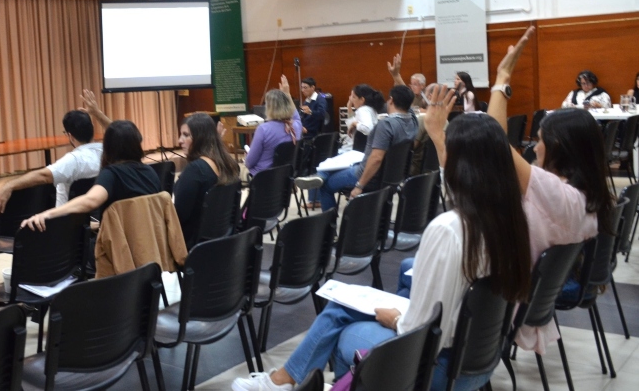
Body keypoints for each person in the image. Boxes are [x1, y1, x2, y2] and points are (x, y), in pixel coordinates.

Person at [232, 92, 533, 391]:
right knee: (346, 307)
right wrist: (437, 133)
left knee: (343, 327)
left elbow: (425, 330)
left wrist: (396, 320)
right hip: (479, 361)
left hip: (437, 366)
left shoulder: (449, 230)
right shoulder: (510, 218)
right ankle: (289, 381)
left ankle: (290, 381)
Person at [484, 27, 610, 353]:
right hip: (538, 292)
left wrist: (502, 79)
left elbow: (496, 142)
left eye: (539, 140)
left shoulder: (559, 195)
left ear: (558, 147)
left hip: (513, 298)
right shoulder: (588, 193)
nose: (535, 147)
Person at [20, 120, 160, 232]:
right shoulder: (151, 172)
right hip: (152, 244)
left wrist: (47, 214)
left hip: (122, 248)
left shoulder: (111, 174)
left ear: (108, 146)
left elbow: (90, 200)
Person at [0, 89, 110, 214]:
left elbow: (43, 176)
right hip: (106, 217)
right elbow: (120, 133)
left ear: (70, 136)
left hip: (74, 221)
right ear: (92, 128)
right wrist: (98, 113)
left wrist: (9, 185)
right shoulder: (110, 152)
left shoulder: (72, 161)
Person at [299, 85, 418, 211]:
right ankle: (320, 175)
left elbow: (376, 158)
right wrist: (397, 77)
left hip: (369, 175)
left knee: (325, 185)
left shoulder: (386, 125)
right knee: (338, 165)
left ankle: (328, 220)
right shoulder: (412, 121)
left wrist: (360, 185)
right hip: (394, 176)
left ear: (391, 100)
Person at [173, 112, 240, 247]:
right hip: (222, 240)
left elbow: (178, 217)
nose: (180, 140)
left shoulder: (196, 170)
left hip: (192, 244)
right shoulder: (230, 165)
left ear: (200, 138)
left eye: (186, 135)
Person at [245, 75, 302, 177]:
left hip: (263, 177)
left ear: (269, 108)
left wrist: (247, 157)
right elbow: (296, 117)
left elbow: (249, 163)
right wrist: (287, 94)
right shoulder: (296, 126)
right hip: (287, 177)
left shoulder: (263, 129)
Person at [343, 84, 385, 149]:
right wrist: (349, 107)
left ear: (362, 99)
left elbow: (368, 129)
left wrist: (355, 123)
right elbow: (351, 124)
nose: (350, 99)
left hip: (360, 150)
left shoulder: (363, 110)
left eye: (353, 97)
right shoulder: (369, 109)